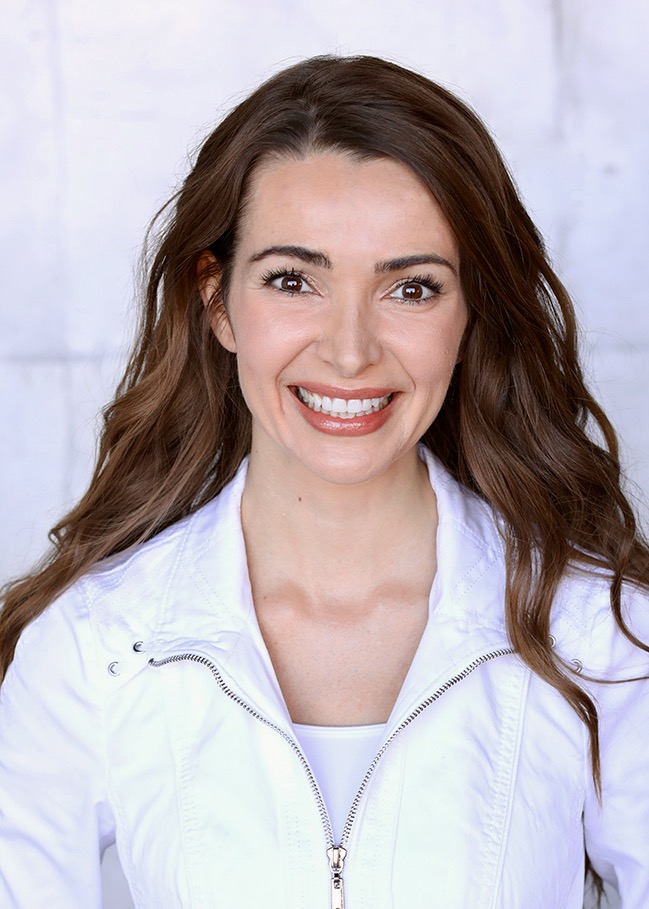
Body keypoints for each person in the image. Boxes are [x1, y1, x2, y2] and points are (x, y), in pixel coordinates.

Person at [0, 54, 648, 909]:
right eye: (292, 281)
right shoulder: (95, 645)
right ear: (218, 301)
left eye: (410, 287)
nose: (349, 351)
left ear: (471, 313)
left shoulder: (598, 632)